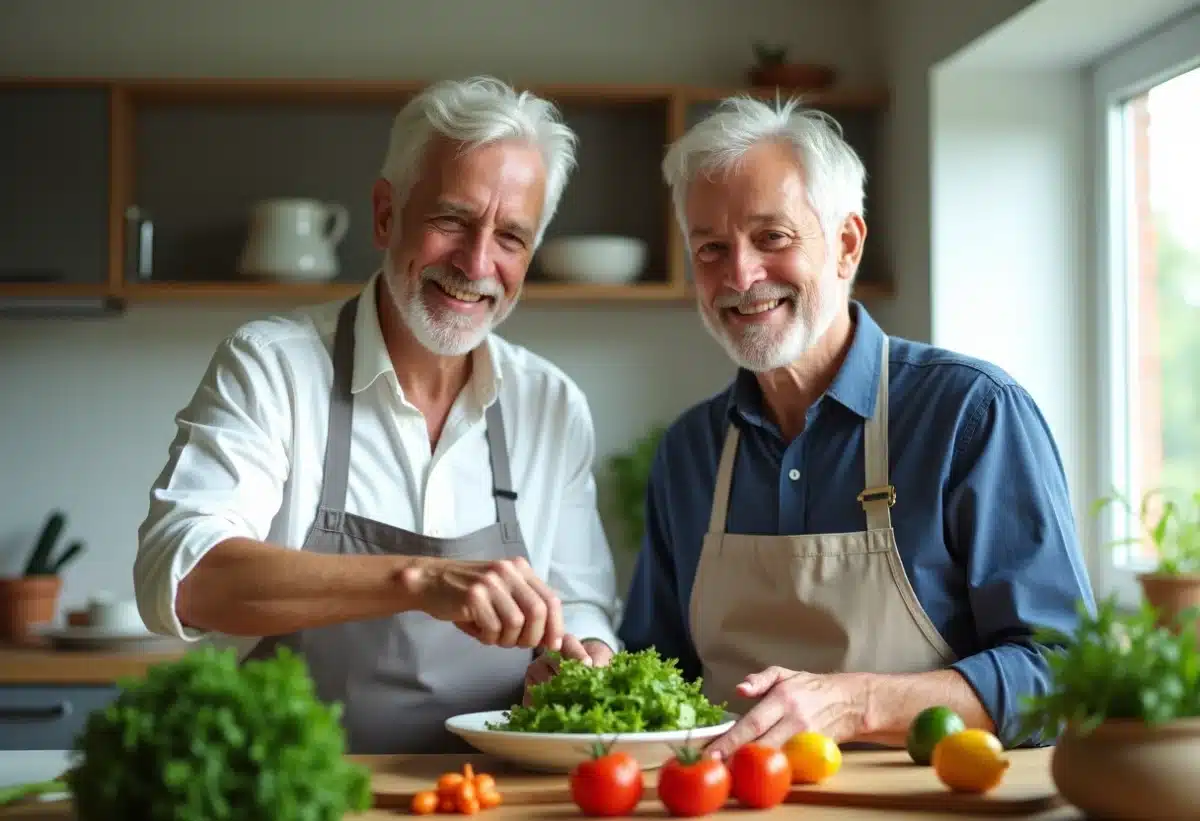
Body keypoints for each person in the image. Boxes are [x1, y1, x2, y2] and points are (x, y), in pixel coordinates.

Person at [133, 76, 620, 755]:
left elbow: (583, 599)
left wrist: (583, 652)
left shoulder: (551, 403)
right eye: (452, 220)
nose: (477, 262)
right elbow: (179, 578)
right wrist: (418, 580)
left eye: (510, 236)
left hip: (490, 795)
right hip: (296, 791)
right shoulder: (273, 366)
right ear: (386, 213)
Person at [611, 95, 1096, 758]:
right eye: (711, 248)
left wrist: (860, 701)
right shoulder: (689, 452)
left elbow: (1064, 674)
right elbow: (653, 677)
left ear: (845, 244)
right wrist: (584, 670)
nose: (741, 275)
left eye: (772, 237)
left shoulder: (972, 415)